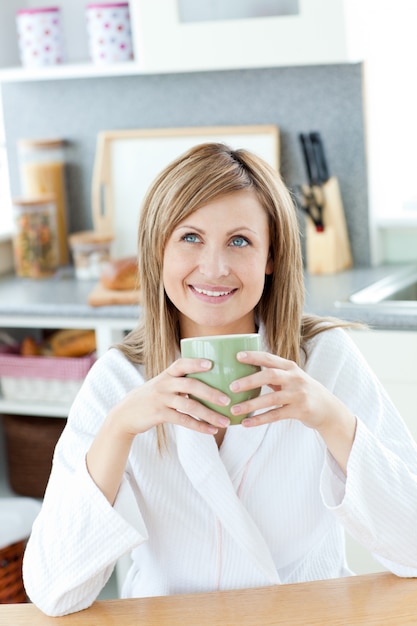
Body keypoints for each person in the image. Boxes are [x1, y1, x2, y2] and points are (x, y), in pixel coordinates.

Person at [23, 143, 417, 616]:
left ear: (272, 256)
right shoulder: (119, 380)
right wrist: (119, 428)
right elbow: (52, 590)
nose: (214, 268)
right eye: (190, 237)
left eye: (240, 241)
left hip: (308, 614)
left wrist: (331, 417)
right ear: (158, 250)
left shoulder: (323, 360)